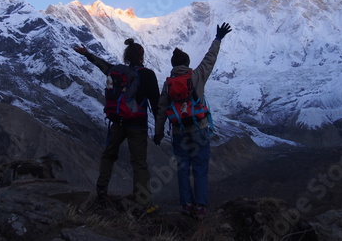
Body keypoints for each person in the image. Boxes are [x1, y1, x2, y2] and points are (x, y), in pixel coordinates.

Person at [153, 22, 232, 220]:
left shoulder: (168, 84)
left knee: (182, 168)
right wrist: (218, 38)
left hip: (179, 132)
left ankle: (186, 204)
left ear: (173, 65)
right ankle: (201, 207)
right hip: (200, 129)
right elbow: (209, 59)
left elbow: (161, 109)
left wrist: (159, 132)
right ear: (187, 64)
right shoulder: (196, 76)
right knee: (200, 168)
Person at [73, 39, 160, 213]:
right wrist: (159, 131)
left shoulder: (117, 71)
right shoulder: (148, 75)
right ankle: (143, 203)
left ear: (127, 56)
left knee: (108, 155)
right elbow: (156, 104)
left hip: (118, 122)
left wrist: (87, 54)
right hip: (137, 125)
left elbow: (102, 65)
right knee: (139, 163)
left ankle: (102, 191)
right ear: (142, 56)